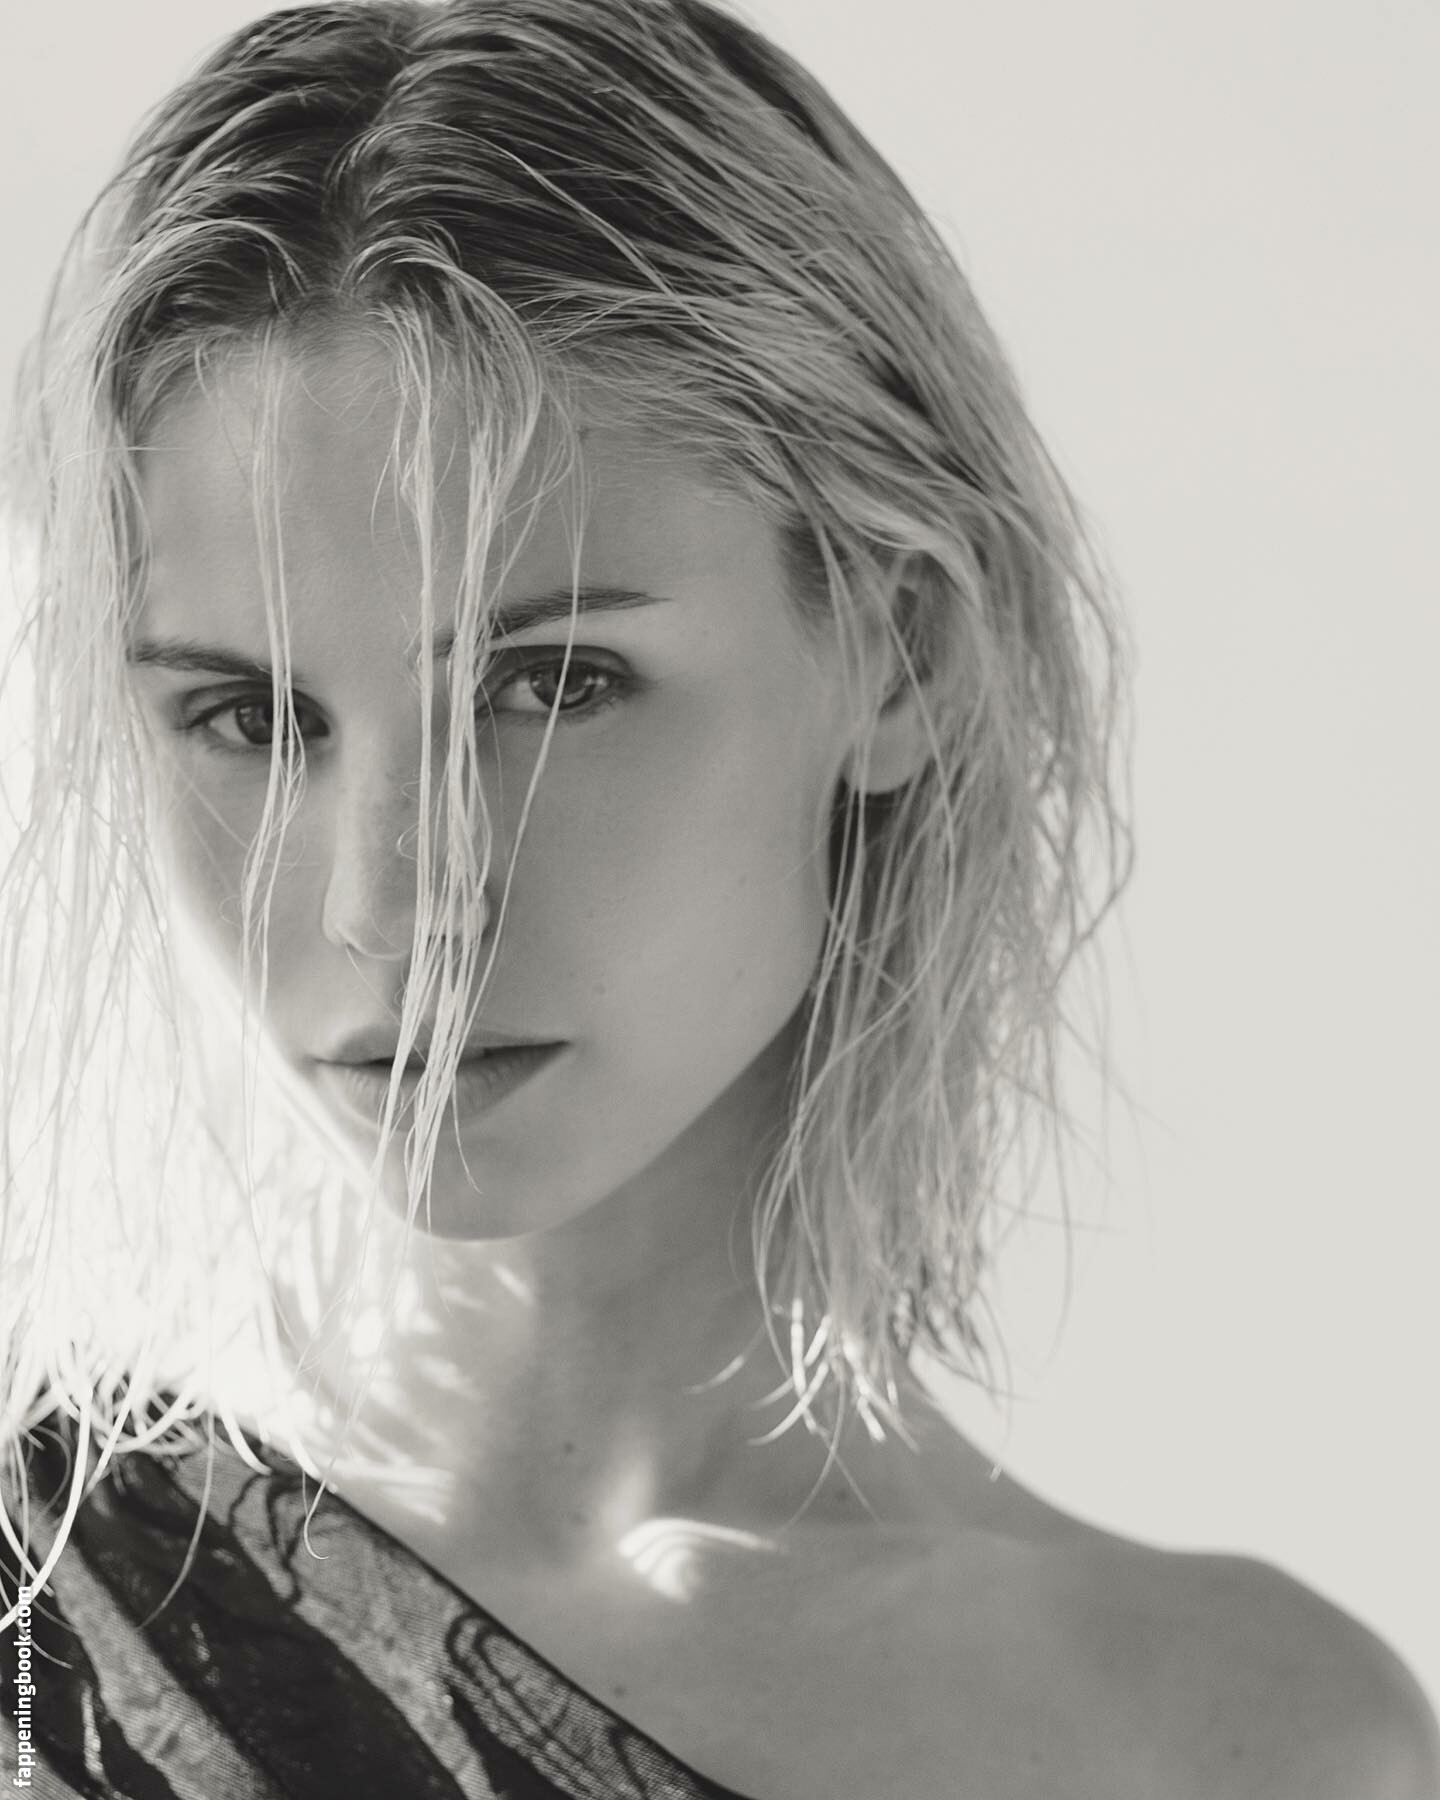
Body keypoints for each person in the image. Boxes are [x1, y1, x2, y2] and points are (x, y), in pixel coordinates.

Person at [0, 1, 1434, 1795]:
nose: (388, 902)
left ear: (900, 651)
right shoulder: (35, 1609)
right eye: (249, 717)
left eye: (552, 686)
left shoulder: (1232, 1743)